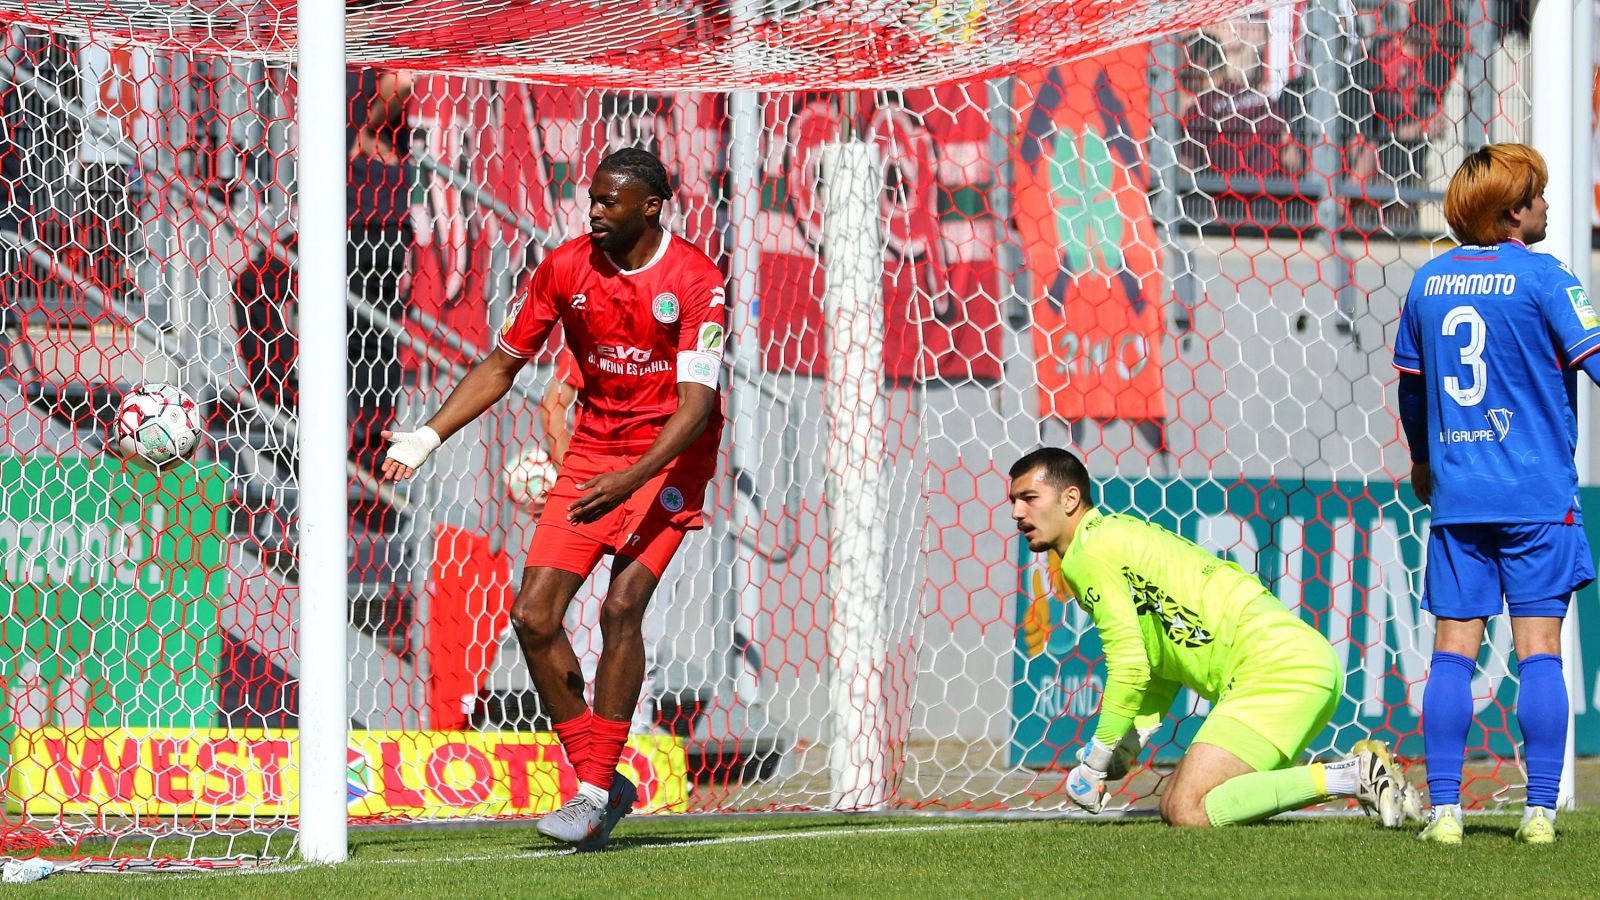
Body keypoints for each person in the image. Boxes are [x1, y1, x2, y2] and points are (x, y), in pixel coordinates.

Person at [382, 147, 726, 850]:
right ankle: (600, 780)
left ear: (651, 206)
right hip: (596, 452)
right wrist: (425, 437)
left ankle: (594, 793)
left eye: (609, 202)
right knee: (534, 617)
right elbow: (503, 364)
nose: (593, 211)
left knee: (622, 605)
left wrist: (629, 482)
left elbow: (696, 405)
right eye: (591, 199)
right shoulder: (566, 268)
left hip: (670, 459)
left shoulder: (695, 278)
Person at [1006, 447, 1409, 827]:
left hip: (1272, 669)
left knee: (1187, 807)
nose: (1017, 512)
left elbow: (1128, 666)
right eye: (1013, 501)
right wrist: (1128, 743)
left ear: (1071, 499)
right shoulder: (1110, 537)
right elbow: (1157, 660)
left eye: (1029, 498)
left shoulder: (1087, 556)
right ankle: (1358, 771)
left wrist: (1095, 761)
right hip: (1303, 662)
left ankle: (1354, 775)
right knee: (1175, 804)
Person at [1392, 143, 1600, 845]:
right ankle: (1540, 813)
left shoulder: (1427, 284)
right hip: (1538, 498)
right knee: (1538, 649)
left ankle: (1447, 812)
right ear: (1513, 211)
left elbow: (1411, 391)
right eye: (1537, 196)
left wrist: (1425, 462)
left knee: (1452, 650)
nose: (1545, 205)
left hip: (1460, 498)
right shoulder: (1546, 278)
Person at [348, 66, 415, 524]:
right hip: (345, 211)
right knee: (258, 280)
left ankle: (377, 470)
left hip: (377, 218)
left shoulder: (375, 48)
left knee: (372, 337)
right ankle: (282, 394)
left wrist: (368, 128)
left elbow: (403, 82)